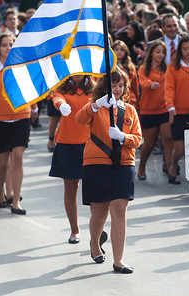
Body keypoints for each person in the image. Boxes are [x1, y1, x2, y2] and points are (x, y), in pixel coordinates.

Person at [75, 66, 142, 272]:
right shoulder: (95, 107)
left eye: (121, 85)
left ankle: (119, 259)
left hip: (123, 164)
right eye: (113, 84)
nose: (118, 88)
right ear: (105, 86)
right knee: (100, 212)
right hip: (96, 162)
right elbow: (79, 119)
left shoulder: (129, 110)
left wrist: (124, 137)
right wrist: (96, 105)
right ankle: (95, 244)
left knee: (119, 210)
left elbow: (138, 139)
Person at [0, 32, 37, 214]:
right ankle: (0, 192)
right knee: (3, 161)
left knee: (18, 157)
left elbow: (30, 86)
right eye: (5, 45)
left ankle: (15, 202)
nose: (8, 48)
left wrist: (35, 107)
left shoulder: (21, 65)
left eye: (11, 44)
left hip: (21, 116)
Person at [49, 75, 93, 244]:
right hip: (68, 143)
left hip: (91, 143)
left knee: (95, 188)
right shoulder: (62, 88)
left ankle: (97, 225)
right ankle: (74, 230)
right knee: (71, 187)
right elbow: (57, 98)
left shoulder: (94, 88)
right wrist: (61, 105)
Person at [137, 40, 173, 180]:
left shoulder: (167, 68)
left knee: (168, 138)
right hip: (148, 110)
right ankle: (141, 166)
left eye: (163, 52)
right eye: (158, 52)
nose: (160, 55)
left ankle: (171, 170)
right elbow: (143, 81)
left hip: (164, 109)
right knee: (150, 143)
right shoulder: (144, 68)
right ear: (151, 52)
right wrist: (150, 85)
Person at [165, 36, 189, 184]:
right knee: (179, 148)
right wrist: (170, 106)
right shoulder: (173, 67)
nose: (188, 51)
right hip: (178, 112)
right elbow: (169, 88)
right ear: (180, 50)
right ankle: (174, 163)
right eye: (185, 49)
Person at [113, 40, 139, 109]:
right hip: (114, 100)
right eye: (116, 49)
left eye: (122, 50)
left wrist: (138, 102)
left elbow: (135, 86)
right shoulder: (108, 67)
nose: (119, 52)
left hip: (130, 100)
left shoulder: (130, 67)